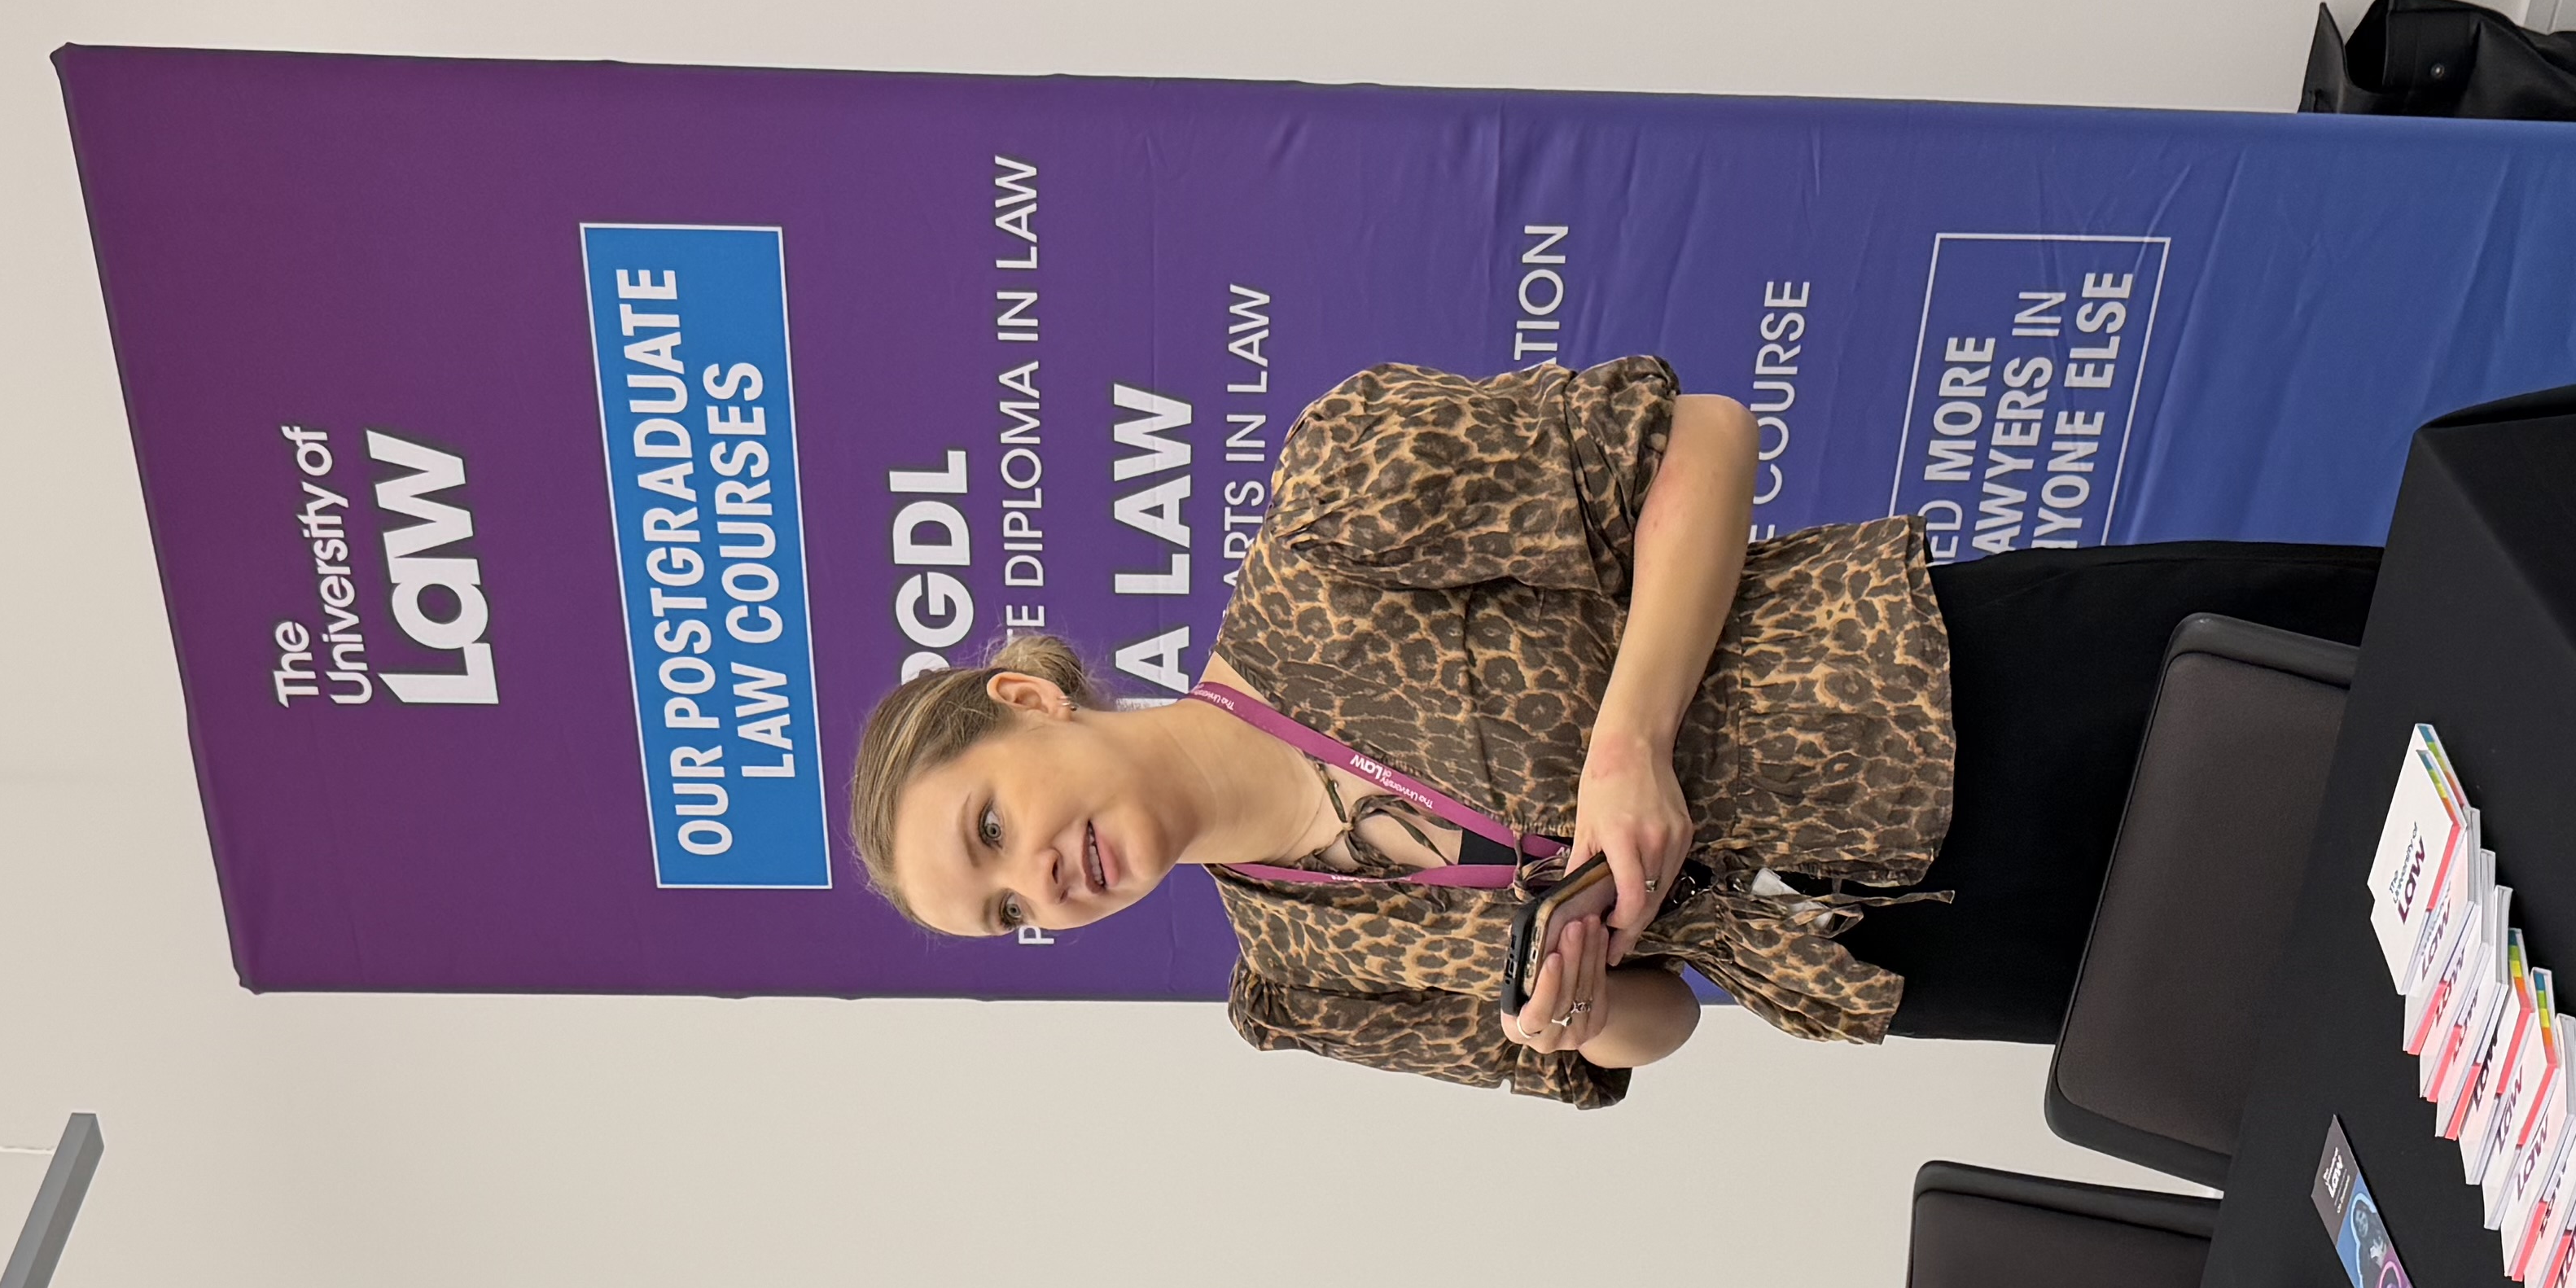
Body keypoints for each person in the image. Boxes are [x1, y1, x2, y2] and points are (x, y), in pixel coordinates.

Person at [843, 357, 2378, 1104]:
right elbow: (1661, 1028)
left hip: (1969, 691)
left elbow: (1697, 438)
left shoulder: (1329, 516)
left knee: (2433, 698)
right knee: (2371, 1000)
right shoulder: (1297, 985)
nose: (1042, 883)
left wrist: (1631, 734)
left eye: (992, 829)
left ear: (1031, 701)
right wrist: (1568, 1018)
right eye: (1007, 917)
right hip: (1912, 955)